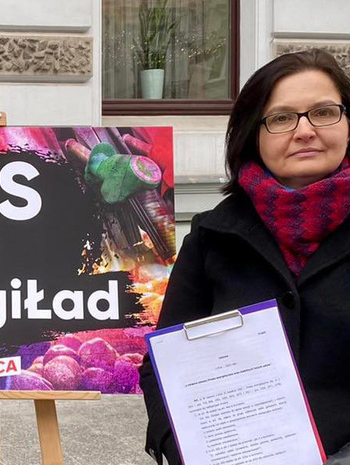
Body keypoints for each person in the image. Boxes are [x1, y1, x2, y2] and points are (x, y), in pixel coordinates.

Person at [139, 48, 350, 464]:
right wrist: (181, 450)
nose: (305, 131)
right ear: (253, 133)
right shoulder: (213, 236)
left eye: (324, 112)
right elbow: (163, 364)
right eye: (282, 118)